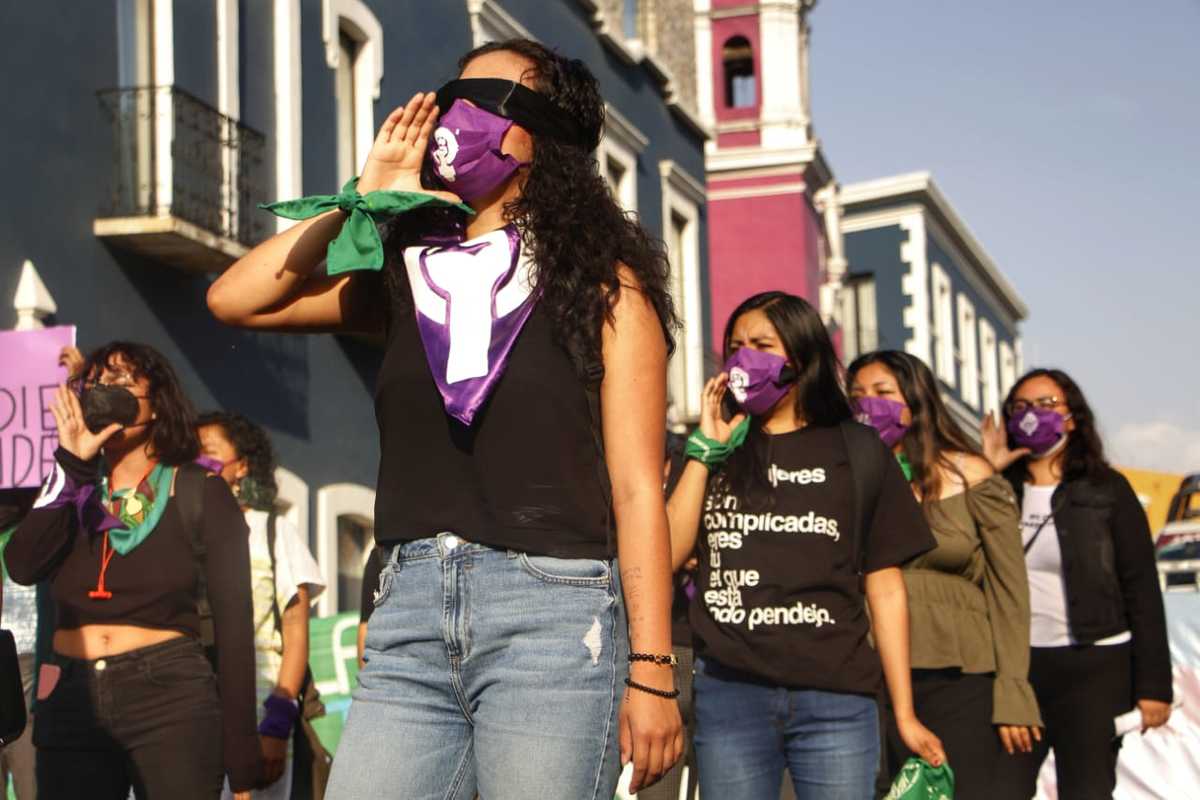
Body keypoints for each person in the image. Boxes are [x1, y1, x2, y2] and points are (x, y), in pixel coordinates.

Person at [206, 38, 683, 799]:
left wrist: (653, 672)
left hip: (554, 615)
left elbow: (635, 489)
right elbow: (236, 297)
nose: (448, 118)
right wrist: (363, 198)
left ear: (541, 134)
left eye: (480, 102)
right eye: (446, 95)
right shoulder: (405, 271)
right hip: (411, 611)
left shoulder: (605, 288)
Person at [666, 292, 945, 800]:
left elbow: (885, 589)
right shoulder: (714, 448)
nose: (743, 358)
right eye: (735, 346)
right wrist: (703, 452)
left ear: (801, 357)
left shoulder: (858, 451)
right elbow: (665, 556)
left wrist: (904, 713)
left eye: (761, 345)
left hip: (835, 699)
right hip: (730, 695)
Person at [4, 342, 260, 799]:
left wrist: (242, 761)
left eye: (123, 383)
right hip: (72, 697)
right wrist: (73, 464)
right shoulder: (71, 489)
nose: (106, 393)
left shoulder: (199, 490)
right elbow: (22, 565)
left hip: (169, 696)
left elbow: (236, 629)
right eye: (97, 384)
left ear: (157, 403)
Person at [848, 351, 1042, 798]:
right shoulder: (849, 478)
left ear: (916, 402)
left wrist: (1014, 690)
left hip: (963, 678)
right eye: (857, 396)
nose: (867, 405)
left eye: (882, 393)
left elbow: (1010, 593)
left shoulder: (972, 474)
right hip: (870, 676)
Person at [982, 368, 1173, 799]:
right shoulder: (997, 488)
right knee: (999, 789)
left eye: (1047, 405)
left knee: (1087, 791)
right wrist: (985, 474)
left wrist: (1154, 687)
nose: (1032, 415)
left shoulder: (1107, 489)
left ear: (1072, 418)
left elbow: (1141, 588)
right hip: (1019, 672)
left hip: (1095, 669)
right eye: (1021, 406)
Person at [196, 411, 326, 800]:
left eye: (209, 454)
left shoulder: (274, 531)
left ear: (242, 467)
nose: (198, 465)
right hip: (189, 718)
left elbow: (294, 629)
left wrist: (277, 722)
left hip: (258, 719)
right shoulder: (179, 532)